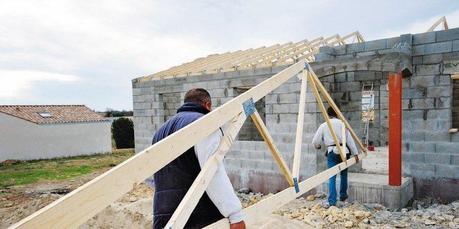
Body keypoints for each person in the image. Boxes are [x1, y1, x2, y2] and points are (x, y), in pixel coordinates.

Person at [151, 88, 246, 229]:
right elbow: (213, 172)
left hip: (164, 214)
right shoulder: (204, 124)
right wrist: (235, 215)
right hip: (197, 215)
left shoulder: (160, 132)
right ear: (207, 105)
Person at [312, 107, 359, 207]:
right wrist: (355, 154)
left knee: (332, 177)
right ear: (337, 114)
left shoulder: (324, 125)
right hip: (344, 152)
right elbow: (349, 140)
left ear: (328, 114)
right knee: (344, 175)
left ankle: (332, 201)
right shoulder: (342, 124)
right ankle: (343, 196)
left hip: (332, 152)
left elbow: (315, 141)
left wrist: (318, 146)